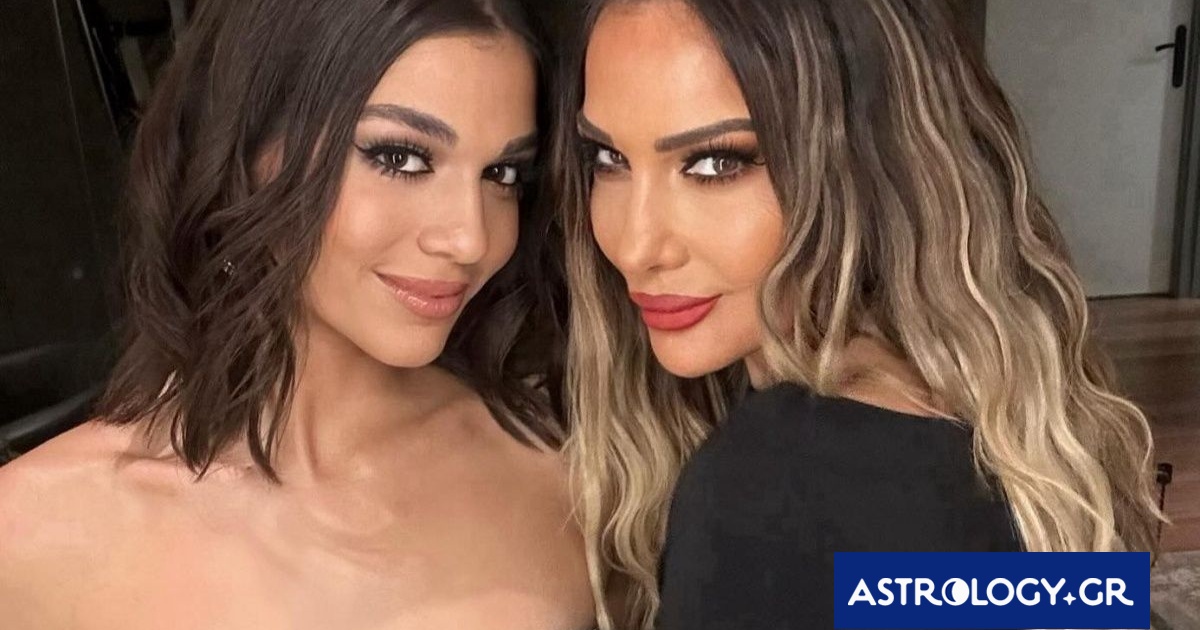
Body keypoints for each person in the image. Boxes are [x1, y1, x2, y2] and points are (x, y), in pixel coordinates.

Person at [551, 0, 1165, 628]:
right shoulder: (1001, 416)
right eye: (608, 159)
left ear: (870, 163)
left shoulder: (767, 493)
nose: (635, 246)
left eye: (716, 163)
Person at [0, 1, 595, 628]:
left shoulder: (563, 469)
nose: (470, 238)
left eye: (502, 173)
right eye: (400, 158)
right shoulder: (38, 530)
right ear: (246, 151)